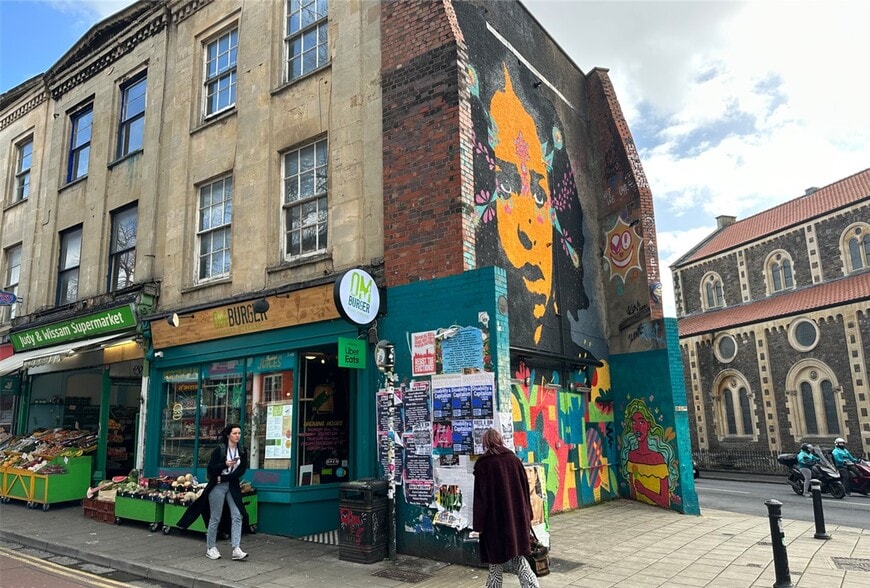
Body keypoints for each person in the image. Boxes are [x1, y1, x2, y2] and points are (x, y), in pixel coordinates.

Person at [473, 428, 540, 588]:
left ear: (485, 443)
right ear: (500, 440)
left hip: (494, 522)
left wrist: (479, 525)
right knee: (518, 557)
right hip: (516, 519)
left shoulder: (483, 464)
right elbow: (525, 490)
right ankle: (532, 586)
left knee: (495, 562)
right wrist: (528, 515)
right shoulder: (514, 460)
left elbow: (480, 498)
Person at [178, 424, 250, 560]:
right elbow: (211, 469)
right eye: (235, 433)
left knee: (237, 515)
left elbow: (241, 470)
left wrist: (224, 478)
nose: (237, 436)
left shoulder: (242, 451)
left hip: (232, 485)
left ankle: (236, 548)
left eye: (239, 433)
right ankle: (211, 547)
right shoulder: (220, 450)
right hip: (217, 486)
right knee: (215, 516)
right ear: (228, 435)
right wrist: (225, 465)